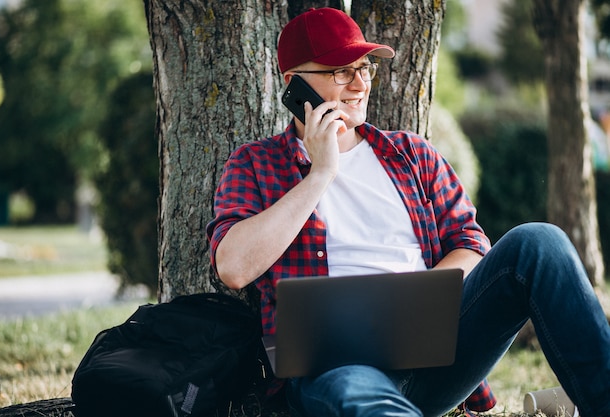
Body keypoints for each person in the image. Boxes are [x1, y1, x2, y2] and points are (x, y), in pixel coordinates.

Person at [207, 7, 610, 417]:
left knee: (539, 243)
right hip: (336, 369)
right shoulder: (255, 164)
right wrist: (320, 175)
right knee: (358, 392)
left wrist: (419, 308)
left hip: (437, 355)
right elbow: (234, 267)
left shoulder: (411, 154)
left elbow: (471, 244)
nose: (361, 83)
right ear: (295, 85)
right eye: (341, 71)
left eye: (364, 68)